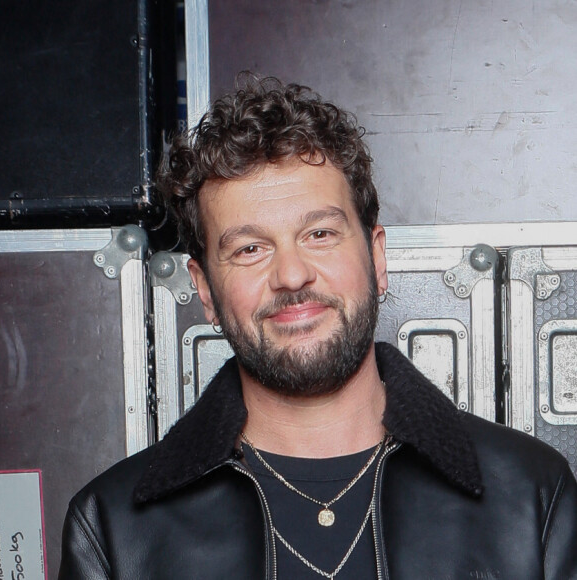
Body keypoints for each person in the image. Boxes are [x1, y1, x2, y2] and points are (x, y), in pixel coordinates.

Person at [59, 75, 577, 579]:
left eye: (320, 233)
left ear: (377, 259)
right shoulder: (112, 531)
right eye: (249, 249)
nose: (291, 275)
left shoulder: (533, 495)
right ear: (205, 291)